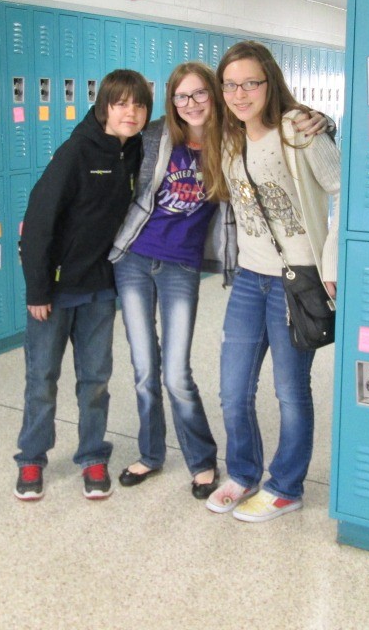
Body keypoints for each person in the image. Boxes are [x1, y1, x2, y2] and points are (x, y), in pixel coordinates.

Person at [204, 40, 340, 523]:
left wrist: (332, 262)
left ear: (270, 84)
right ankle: (242, 474)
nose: (240, 94)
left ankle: (286, 486)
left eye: (251, 83)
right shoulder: (227, 135)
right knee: (232, 388)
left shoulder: (297, 130)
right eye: (231, 85)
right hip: (249, 279)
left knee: (289, 389)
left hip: (294, 277)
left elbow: (343, 188)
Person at [14, 69, 151, 501]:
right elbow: (37, 224)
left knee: (95, 380)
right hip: (54, 293)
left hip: (98, 289)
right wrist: (37, 289)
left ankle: (93, 454)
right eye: (121, 103)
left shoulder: (135, 151)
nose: (131, 112)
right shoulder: (75, 153)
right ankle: (32, 459)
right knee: (42, 380)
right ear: (104, 107)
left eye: (139, 104)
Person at [109, 62, 233, 500]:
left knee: (177, 373)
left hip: (181, 267)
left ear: (214, 95)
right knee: (145, 369)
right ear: (172, 102)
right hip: (136, 259)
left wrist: (322, 120)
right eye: (182, 97)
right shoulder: (158, 135)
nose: (191, 104)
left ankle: (202, 461)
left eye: (199, 94)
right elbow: (106, 137)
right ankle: (151, 454)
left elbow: (282, 120)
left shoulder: (230, 140)